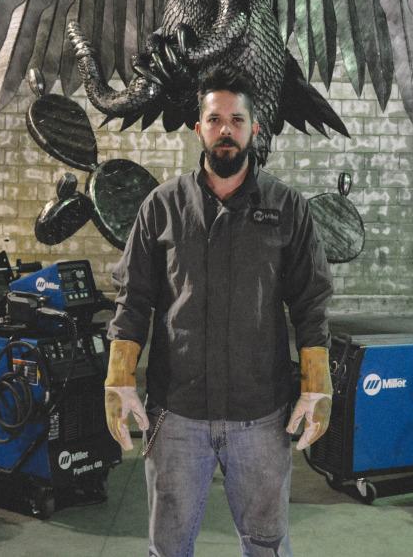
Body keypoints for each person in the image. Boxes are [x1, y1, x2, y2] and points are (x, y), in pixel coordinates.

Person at [104, 65, 334, 557]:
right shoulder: (162, 206)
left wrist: (317, 385)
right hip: (177, 414)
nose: (225, 130)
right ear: (198, 129)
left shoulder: (287, 208)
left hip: (260, 416)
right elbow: (133, 299)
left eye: (236, 120)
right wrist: (119, 379)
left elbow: (310, 302)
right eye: (214, 120)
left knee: (267, 545)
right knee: (168, 548)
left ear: (254, 129)